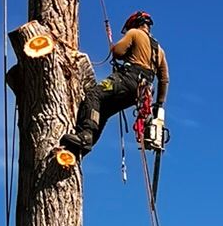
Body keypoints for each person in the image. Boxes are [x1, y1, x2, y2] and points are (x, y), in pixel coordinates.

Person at [61, 11, 169, 159]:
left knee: (94, 94)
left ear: (135, 23)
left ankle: (85, 135)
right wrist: (159, 104)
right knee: (103, 111)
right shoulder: (159, 51)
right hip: (140, 94)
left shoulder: (134, 33)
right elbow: (164, 79)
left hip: (128, 78)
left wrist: (117, 49)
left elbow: (118, 52)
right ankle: (84, 146)